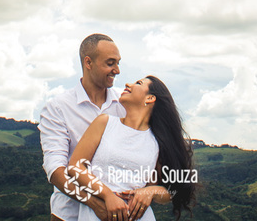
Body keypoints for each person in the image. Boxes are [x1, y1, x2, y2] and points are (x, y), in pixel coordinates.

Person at [64, 75, 197, 221]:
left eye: (138, 83)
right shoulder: (105, 123)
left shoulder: (157, 142)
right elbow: (75, 167)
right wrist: (107, 196)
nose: (128, 84)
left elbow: (170, 190)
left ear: (150, 98)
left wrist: (150, 191)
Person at [40, 34, 127, 221]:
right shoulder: (58, 107)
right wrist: (94, 203)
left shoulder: (125, 104)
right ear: (88, 62)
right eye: (110, 63)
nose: (117, 70)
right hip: (69, 215)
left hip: (117, 214)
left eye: (118, 63)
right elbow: (55, 170)